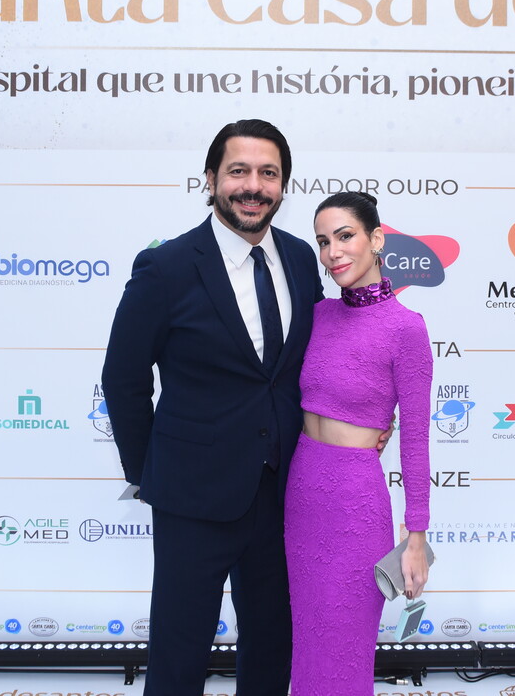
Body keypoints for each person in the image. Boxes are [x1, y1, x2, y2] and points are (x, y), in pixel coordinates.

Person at [101, 119, 323, 696]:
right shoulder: (167, 267)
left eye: (268, 173)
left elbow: (310, 365)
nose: (253, 186)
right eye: (238, 171)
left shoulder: (302, 259)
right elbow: (123, 378)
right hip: (191, 495)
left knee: (273, 643)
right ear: (211, 179)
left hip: (283, 489)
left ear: (283, 184)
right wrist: (149, 473)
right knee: (180, 652)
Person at [286, 191, 434, 696]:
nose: (333, 252)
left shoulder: (406, 329)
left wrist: (416, 539)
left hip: (355, 502)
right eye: (323, 241)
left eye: (345, 236)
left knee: (345, 647)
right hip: (300, 494)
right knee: (305, 645)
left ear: (376, 239)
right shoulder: (317, 315)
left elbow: (416, 440)